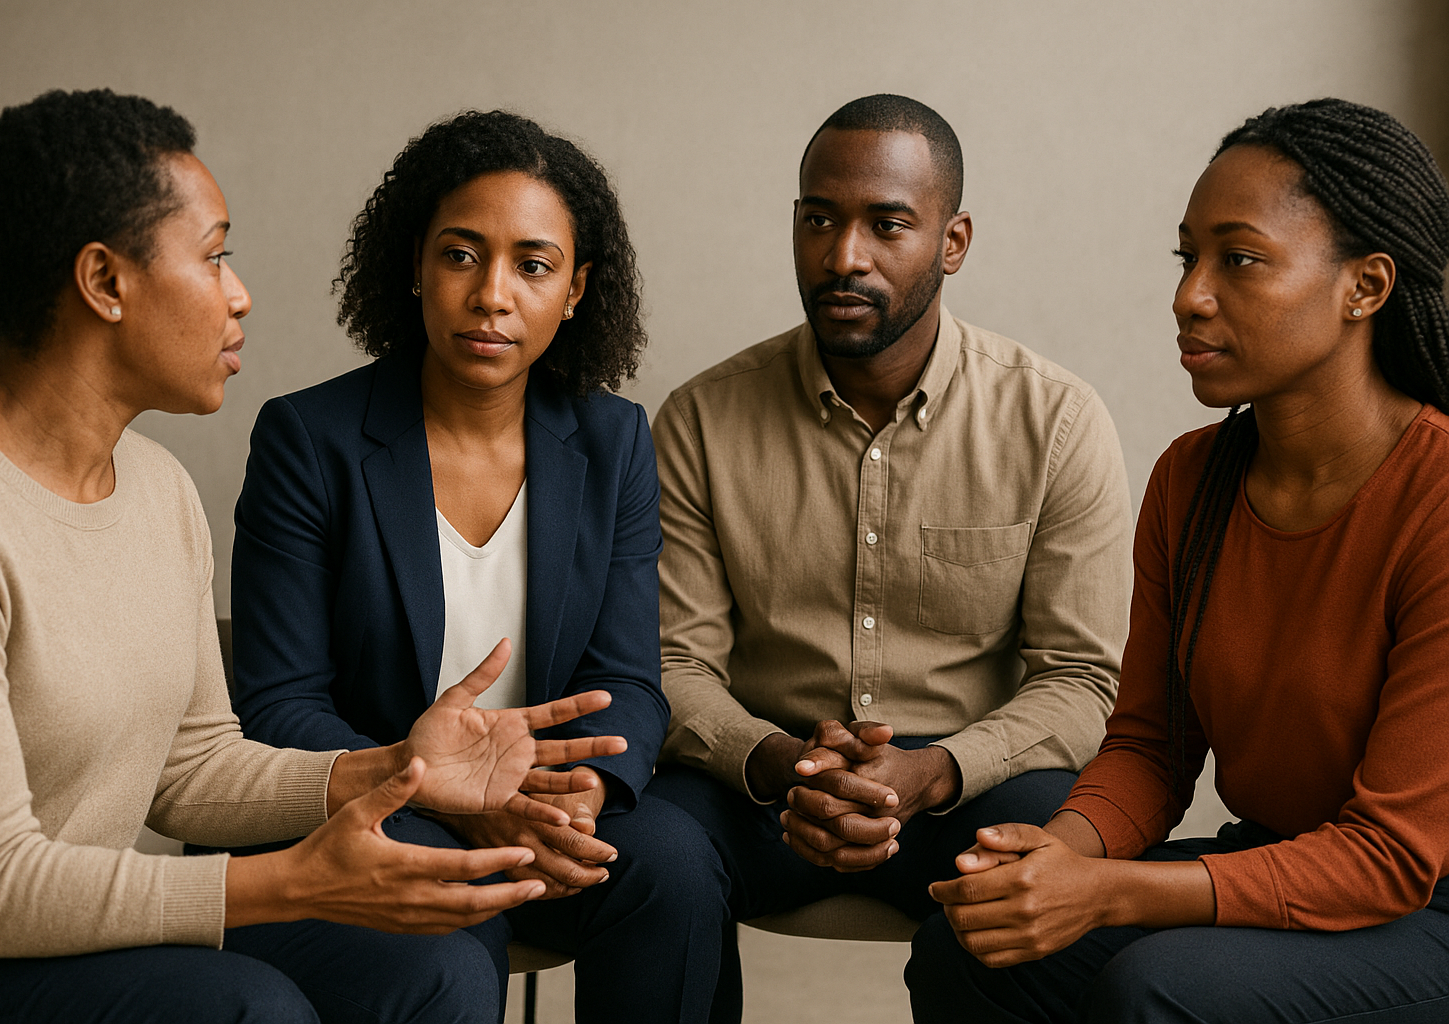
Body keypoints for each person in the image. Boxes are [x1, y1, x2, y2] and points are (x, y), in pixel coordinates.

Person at [0, 88, 629, 1024]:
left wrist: (394, 767)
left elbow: (192, 769)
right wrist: (296, 883)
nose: (240, 292)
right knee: (249, 1008)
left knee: (432, 971)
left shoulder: (158, 486)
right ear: (105, 281)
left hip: (75, 925)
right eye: (213, 257)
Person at [920, 98, 1449, 1024]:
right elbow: (1152, 749)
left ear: (1365, 286)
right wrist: (1060, 857)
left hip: (1423, 905)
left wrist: (1110, 892)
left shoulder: (1437, 498)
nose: (1190, 295)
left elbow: (1390, 857)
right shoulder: (1191, 479)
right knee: (974, 944)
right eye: (1187, 257)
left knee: (1158, 989)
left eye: (1238, 260)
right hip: (1275, 859)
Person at [228, 110, 725, 1023]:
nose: (493, 293)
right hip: (380, 794)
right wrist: (447, 793)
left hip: (549, 794)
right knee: (451, 938)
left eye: (533, 266)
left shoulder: (613, 440)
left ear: (575, 290)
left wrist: (587, 790)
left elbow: (627, 677)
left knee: (678, 869)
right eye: (461, 255)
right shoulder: (309, 440)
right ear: (416, 263)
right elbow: (278, 703)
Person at [646, 93, 1134, 1019]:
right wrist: (785, 761)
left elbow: (1079, 680)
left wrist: (933, 771)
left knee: (1052, 855)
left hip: (971, 784)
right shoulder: (703, 421)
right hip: (764, 783)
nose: (844, 256)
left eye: (887, 224)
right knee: (652, 857)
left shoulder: (1055, 422)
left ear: (953, 243)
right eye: (819, 219)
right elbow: (673, 662)